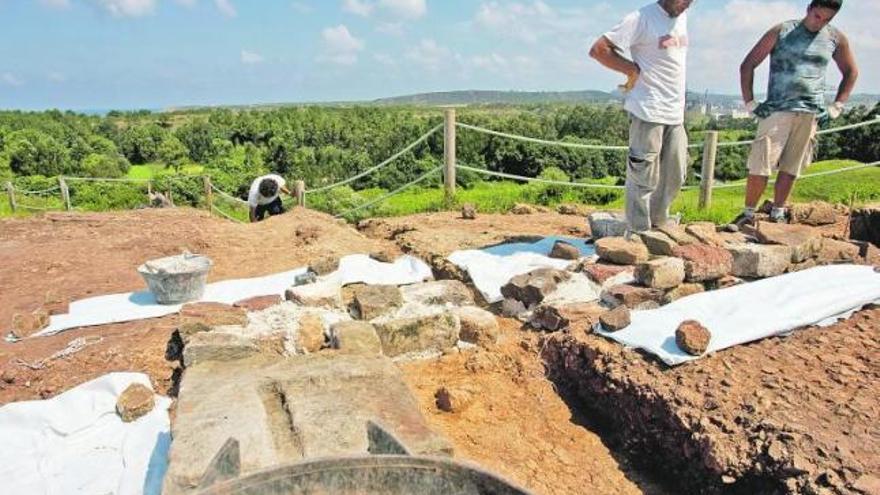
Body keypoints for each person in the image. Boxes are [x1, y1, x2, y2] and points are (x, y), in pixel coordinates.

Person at [736, 0, 858, 225]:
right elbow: (748, 64)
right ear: (809, 9)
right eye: (817, 16)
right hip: (777, 109)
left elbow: (850, 71)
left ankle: (778, 211)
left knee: (793, 165)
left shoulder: (835, 38)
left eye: (827, 19)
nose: (819, 23)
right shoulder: (782, 30)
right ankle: (748, 213)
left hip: (810, 111)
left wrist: (837, 106)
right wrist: (750, 103)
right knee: (761, 163)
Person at [590, 0, 693, 235]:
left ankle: (658, 223)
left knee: (675, 172)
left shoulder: (681, 17)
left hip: (675, 112)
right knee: (643, 177)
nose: (687, 4)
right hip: (648, 109)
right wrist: (631, 69)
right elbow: (599, 49)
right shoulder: (641, 18)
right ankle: (637, 232)